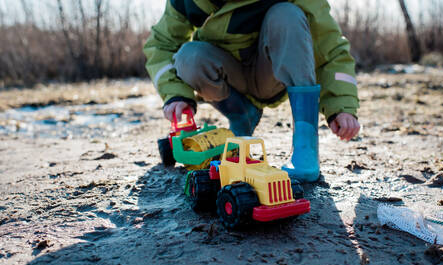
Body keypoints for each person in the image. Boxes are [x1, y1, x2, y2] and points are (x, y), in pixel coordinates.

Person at [144, 0, 360, 182]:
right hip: (228, 74)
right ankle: (241, 114)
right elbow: (161, 44)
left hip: (270, 74)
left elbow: (329, 48)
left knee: (287, 15)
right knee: (189, 57)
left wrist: (341, 106)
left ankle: (305, 145)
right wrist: (175, 94)